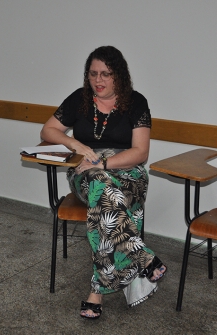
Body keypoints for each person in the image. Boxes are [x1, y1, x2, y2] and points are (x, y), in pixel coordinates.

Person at [40, 46, 167, 319]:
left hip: (127, 170)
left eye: (106, 74)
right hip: (87, 172)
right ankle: (141, 257)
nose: (98, 80)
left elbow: (140, 153)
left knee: (106, 206)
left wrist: (105, 163)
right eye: (93, 74)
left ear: (119, 76)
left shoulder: (136, 102)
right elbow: (47, 129)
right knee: (103, 189)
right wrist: (74, 142)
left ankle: (98, 289)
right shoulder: (79, 99)